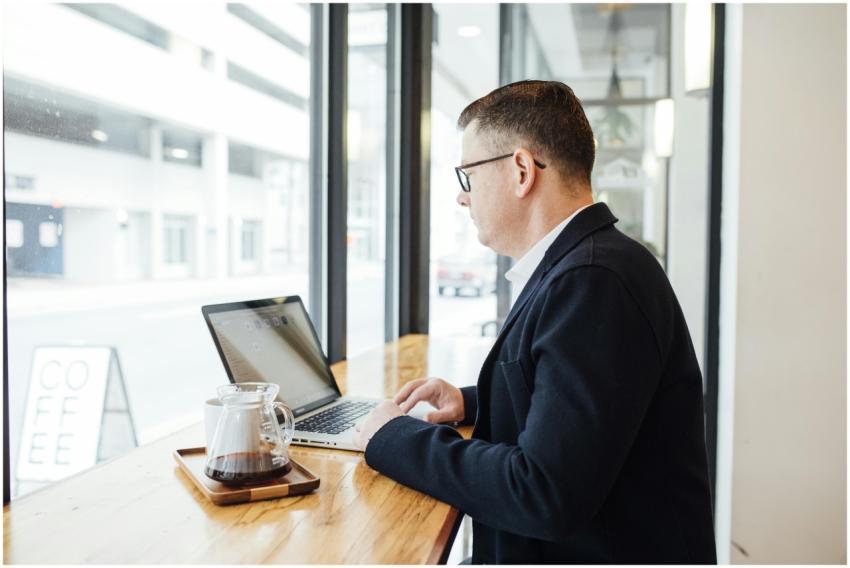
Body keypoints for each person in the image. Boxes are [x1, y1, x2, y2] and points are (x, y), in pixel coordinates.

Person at [353, 80, 717, 564]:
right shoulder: (592, 263)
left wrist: (393, 437)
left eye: (468, 176)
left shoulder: (594, 280)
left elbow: (543, 493)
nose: (463, 199)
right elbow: (583, 405)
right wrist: (468, 402)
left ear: (521, 170)